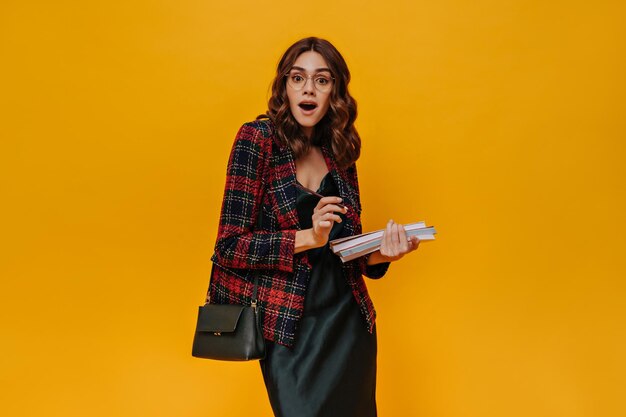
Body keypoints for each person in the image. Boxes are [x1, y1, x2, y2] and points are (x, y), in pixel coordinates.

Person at [208, 36, 421, 417]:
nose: (309, 89)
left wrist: (382, 253)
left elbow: (346, 249)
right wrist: (308, 237)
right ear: (285, 87)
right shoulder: (256, 141)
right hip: (288, 329)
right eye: (298, 78)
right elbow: (229, 247)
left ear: (334, 92)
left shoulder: (339, 151)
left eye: (322, 80)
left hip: (347, 323)